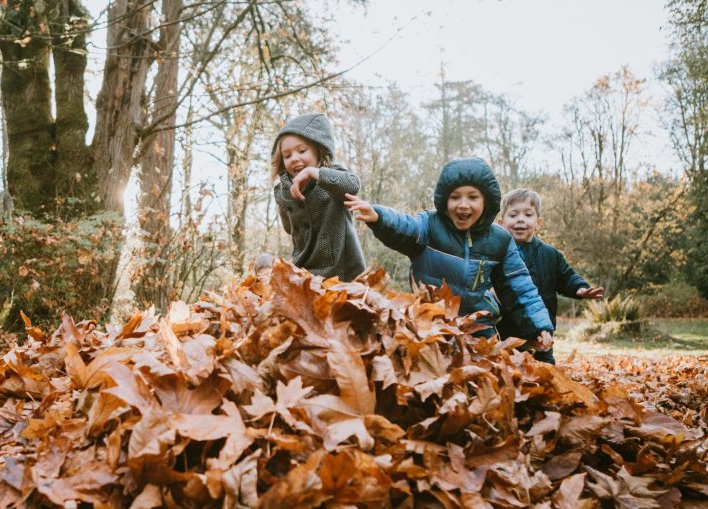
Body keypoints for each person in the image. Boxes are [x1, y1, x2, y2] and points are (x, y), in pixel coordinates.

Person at [343, 157, 553, 346]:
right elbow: (406, 225)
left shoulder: (500, 240)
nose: (463, 205)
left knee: (487, 375)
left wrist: (539, 325)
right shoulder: (429, 226)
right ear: (445, 201)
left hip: (478, 326)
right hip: (431, 321)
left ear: (486, 202)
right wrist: (379, 216)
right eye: (455, 197)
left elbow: (520, 287)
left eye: (472, 197)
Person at [496, 188, 604, 363]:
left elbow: (566, 276)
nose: (520, 219)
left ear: (538, 223)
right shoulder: (496, 255)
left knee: (545, 372)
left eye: (528, 215)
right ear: (501, 223)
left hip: (542, 333)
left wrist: (580, 288)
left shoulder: (549, 254)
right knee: (508, 372)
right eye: (514, 215)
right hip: (507, 332)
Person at [256, 113, 367, 282]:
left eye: (302, 151)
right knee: (267, 266)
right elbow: (290, 228)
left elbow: (353, 185)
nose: (294, 158)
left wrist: (314, 173)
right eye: (287, 155)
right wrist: (285, 203)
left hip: (342, 273)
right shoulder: (283, 192)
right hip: (305, 272)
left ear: (319, 149)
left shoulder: (332, 178)